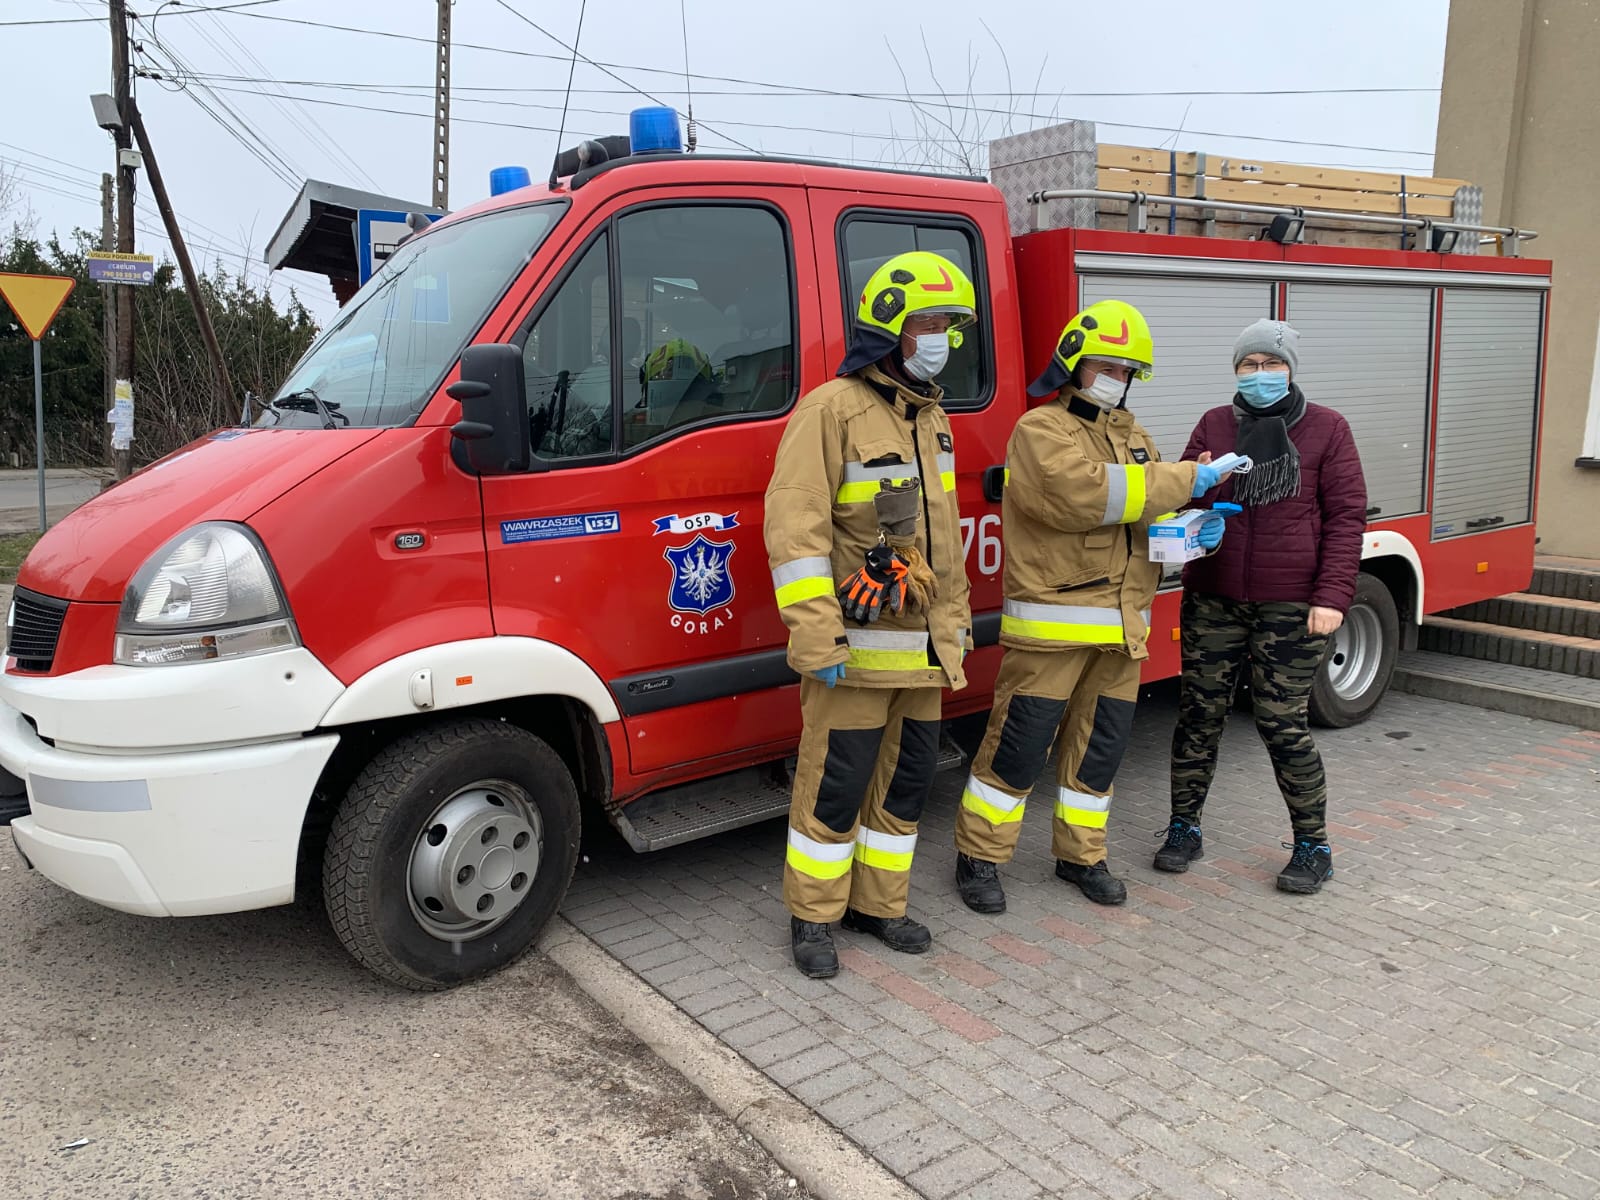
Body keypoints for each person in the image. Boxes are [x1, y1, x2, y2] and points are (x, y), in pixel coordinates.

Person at [951, 301, 1228, 911]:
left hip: (1122, 628)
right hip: (1053, 627)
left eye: (1127, 371)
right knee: (1019, 746)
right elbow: (1083, 496)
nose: (1117, 379)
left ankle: (1081, 856)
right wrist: (1183, 479)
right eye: (1106, 366)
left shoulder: (1134, 435)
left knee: (1098, 751)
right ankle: (979, 856)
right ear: (1072, 365)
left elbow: (1142, 514)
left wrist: (1189, 527)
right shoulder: (1040, 430)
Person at [765, 250, 977, 978]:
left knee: (905, 787)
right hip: (854, 654)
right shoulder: (830, 411)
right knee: (835, 788)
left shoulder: (933, 419)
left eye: (948, 325)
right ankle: (814, 917)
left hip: (923, 654)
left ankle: (879, 906)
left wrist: (955, 627)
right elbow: (795, 532)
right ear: (889, 328)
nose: (941, 338)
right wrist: (817, 634)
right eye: (928, 323)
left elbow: (942, 539)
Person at [1158, 318, 1366, 894]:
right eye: (1249, 365)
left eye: (1272, 364)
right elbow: (1184, 493)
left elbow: (1347, 519)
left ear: (1290, 369)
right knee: (1199, 715)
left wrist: (1332, 597)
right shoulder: (1215, 423)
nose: (1260, 374)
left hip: (1291, 604)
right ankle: (1183, 827)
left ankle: (1313, 845)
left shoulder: (1327, 428)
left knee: (1280, 723)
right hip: (1214, 597)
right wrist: (1197, 503)